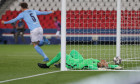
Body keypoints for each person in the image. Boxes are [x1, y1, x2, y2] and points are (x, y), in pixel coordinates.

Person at [38, 50, 122, 70]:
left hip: (77, 64)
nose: (104, 61)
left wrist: (102, 68)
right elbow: (110, 66)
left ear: (102, 66)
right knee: (73, 51)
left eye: (104, 63)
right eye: (104, 61)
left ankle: (47, 65)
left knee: (61, 53)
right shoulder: (97, 61)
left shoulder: (94, 66)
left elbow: (91, 67)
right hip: (81, 59)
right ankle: (63, 64)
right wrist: (116, 66)